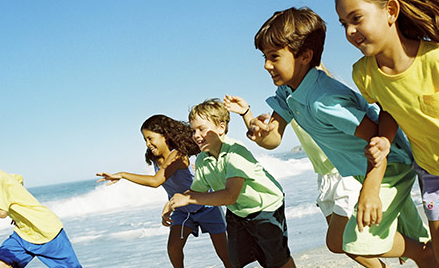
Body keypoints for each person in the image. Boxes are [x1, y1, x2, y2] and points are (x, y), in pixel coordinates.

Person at [247, 6, 436, 267]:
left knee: (357, 241)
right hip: (362, 169)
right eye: (265, 57)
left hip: (389, 164)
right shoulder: (288, 92)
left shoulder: (324, 99)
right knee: (413, 234)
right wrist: (260, 135)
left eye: (274, 56)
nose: (267, 65)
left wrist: (371, 187)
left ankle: (424, 253)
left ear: (305, 56)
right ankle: (428, 253)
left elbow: (377, 137)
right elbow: (274, 140)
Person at [334, 0, 439, 267]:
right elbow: (390, 108)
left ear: (390, 11)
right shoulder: (364, 73)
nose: (350, 31)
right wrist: (385, 140)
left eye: (356, 18)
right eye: (344, 24)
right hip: (433, 173)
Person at [164, 99, 296, 268]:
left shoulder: (235, 152)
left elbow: (230, 195)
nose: (196, 135)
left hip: (266, 208)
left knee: (276, 259)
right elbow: (196, 191)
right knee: (235, 260)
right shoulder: (203, 159)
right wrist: (172, 203)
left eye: (202, 129)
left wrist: (189, 199)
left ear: (221, 127)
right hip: (238, 212)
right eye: (193, 130)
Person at [96, 115, 232, 268]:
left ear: (165, 136)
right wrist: (170, 204)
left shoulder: (177, 155)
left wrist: (123, 174)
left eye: (150, 138)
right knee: (173, 248)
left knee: (225, 255)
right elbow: (173, 186)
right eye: (145, 140)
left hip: (205, 206)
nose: (148, 144)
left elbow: (156, 181)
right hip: (183, 211)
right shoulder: (155, 159)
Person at [223, 94, 355, 226]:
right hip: (325, 177)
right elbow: (270, 138)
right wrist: (247, 114)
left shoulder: (322, 87)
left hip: (348, 171)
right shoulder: (286, 96)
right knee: (341, 244)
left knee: (340, 241)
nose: (271, 72)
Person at [0, 143, 82, 268]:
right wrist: (17, 211)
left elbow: (1, 212)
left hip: (46, 232)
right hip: (24, 233)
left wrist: (9, 209)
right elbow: (17, 179)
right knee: (0, 264)